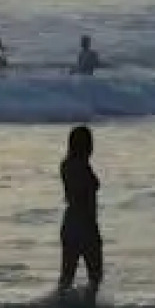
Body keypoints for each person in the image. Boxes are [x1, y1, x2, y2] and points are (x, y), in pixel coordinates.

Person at [58, 126, 102, 297]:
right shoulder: (82, 166)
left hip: (70, 222)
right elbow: (90, 188)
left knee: (67, 277)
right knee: (95, 276)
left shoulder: (66, 164)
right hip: (85, 223)